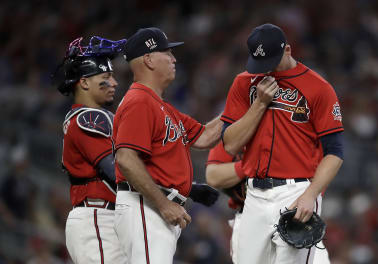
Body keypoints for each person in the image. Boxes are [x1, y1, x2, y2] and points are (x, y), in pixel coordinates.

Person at [221, 23, 344, 264]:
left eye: (270, 62)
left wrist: (311, 194)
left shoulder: (318, 88)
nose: (264, 70)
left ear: (287, 50)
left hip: (297, 193)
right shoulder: (244, 83)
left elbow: (335, 152)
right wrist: (258, 104)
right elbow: (230, 145)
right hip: (254, 194)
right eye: (260, 63)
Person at [112, 27, 222, 264]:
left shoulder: (161, 106)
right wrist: (163, 204)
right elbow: (126, 159)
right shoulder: (139, 101)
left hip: (152, 207)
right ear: (149, 59)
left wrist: (244, 103)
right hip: (146, 206)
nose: (174, 59)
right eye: (167, 53)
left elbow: (205, 137)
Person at [53, 36, 127, 264]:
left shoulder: (95, 116)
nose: (114, 83)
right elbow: (117, 171)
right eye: (106, 77)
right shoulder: (89, 116)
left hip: (106, 218)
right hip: (99, 218)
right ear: (84, 83)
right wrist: (168, 193)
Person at [206, 141, 331, 264]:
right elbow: (213, 176)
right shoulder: (238, 125)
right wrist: (251, 164)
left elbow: (327, 164)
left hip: (295, 219)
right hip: (250, 219)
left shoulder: (302, 126)